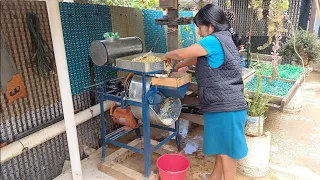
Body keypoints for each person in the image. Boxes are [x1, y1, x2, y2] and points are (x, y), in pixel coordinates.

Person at [162, 4, 248, 180]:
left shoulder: (213, 40)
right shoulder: (225, 38)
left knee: (227, 152)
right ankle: (214, 177)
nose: (199, 32)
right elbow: (197, 56)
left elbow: (181, 52)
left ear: (211, 25)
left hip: (225, 107)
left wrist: (168, 55)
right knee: (222, 148)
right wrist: (181, 65)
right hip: (225, 105)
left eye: (200, 27)